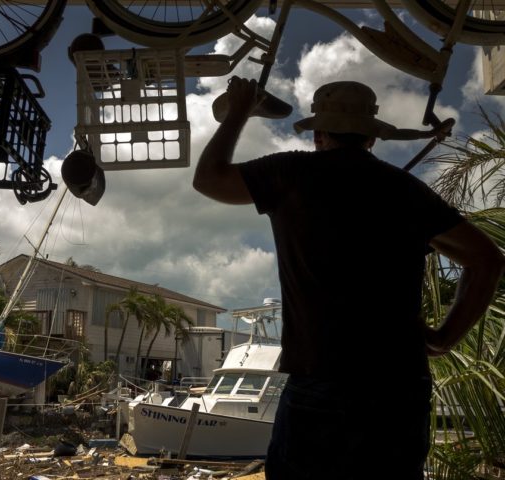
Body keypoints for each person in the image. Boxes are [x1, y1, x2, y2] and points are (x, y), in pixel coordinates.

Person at [193, 78, 505, 480]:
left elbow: (209, 179)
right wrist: (444, 338)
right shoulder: (405, 190)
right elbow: (486, 261)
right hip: (398, 390)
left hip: (320, 382)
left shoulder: (291, 174)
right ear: (371, 139)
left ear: (319, 134)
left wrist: (239, 110)